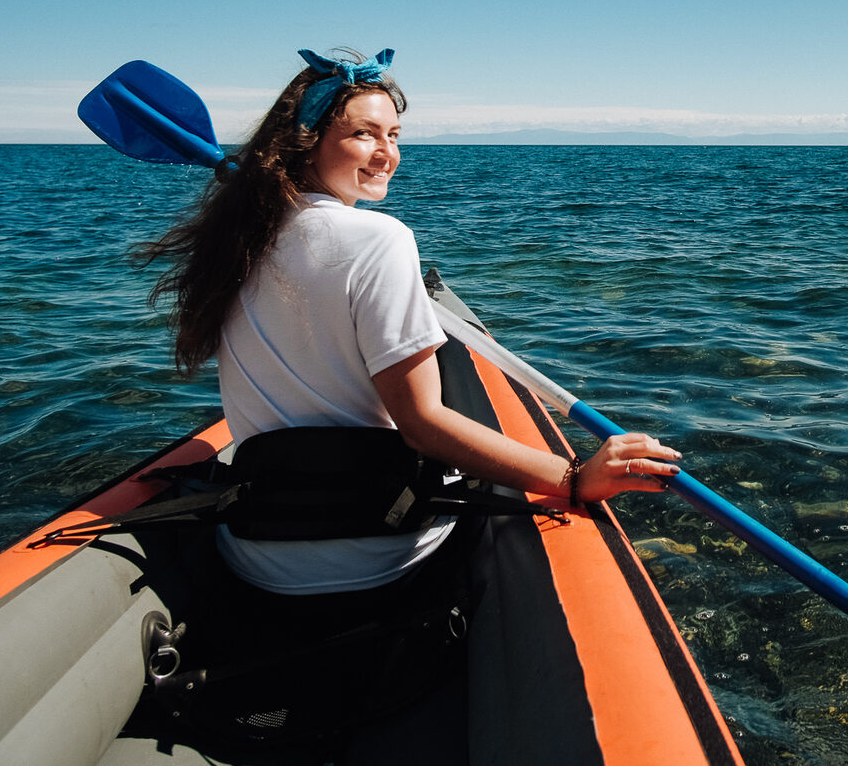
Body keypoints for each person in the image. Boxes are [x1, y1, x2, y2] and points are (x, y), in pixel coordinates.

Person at [137, 45, 681, 602]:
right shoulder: (379, 239)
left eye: (394, 135)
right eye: (364, 134)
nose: (386, 154)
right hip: (379, 555)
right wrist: (571, 478)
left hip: (253, 552)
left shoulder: (237, 240)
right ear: (305, 141)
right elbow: (422, 424)